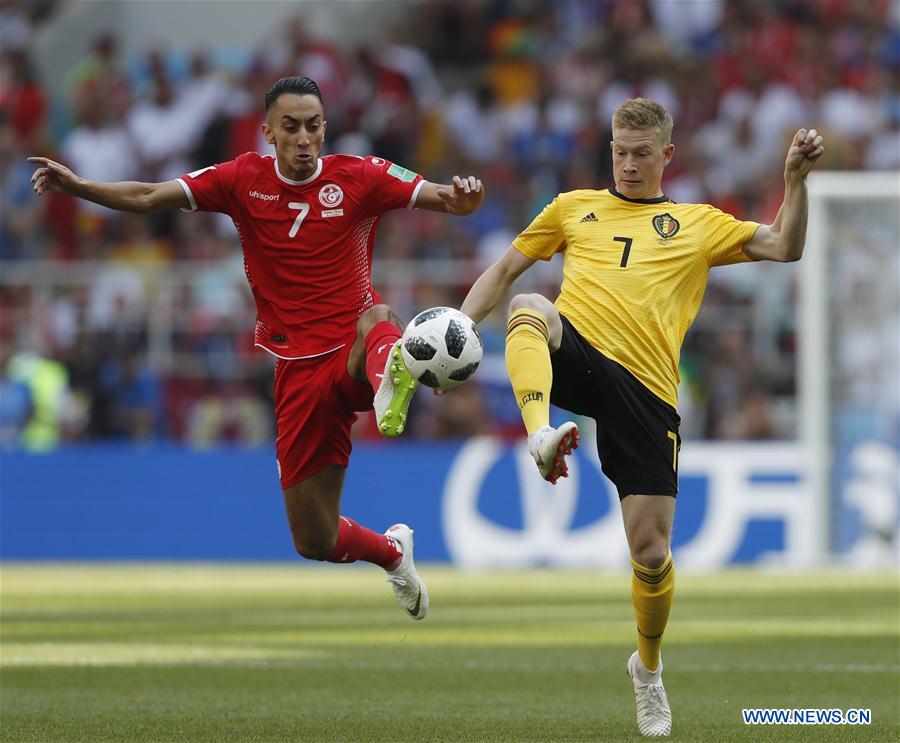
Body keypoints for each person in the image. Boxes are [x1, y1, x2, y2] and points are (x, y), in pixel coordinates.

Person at [30, 75, 485, 621]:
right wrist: (77, 186)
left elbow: (445, 199)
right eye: (290, 126)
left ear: (325, 129)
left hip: (353, 352)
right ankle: (392, 552)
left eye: (313, 126)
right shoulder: (241, 179)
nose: (303, 138)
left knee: (379, 317)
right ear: (267, 131)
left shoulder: (361, 176)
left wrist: (463, 199)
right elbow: (150, 196)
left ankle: (392, 376)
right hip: (295, 370)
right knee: (313, 538)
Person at [459, 98, 823, 736]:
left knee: (651, 553)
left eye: (641, 154)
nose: (627, 164)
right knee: (528, 305)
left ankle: (647, 669)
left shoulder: (697, 223)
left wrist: (793, 181)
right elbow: (504, 268)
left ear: (667, 156)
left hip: (648, 391)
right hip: (578, 350)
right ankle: (540, 431)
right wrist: (462, 329)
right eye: (619, 152)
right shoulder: (572, 208)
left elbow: (785, 246)